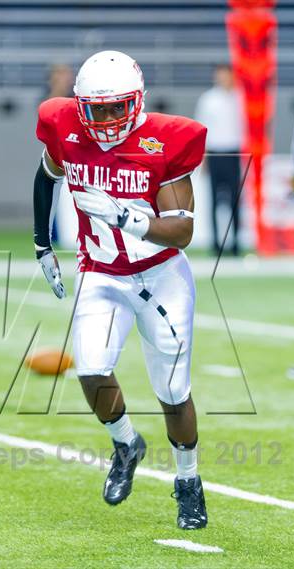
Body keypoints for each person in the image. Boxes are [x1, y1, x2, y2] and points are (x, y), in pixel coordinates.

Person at [33, 50, 208, 529]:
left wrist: (128, 217)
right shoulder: (63, 126)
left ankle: (188, 481)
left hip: (161, 274)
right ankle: (127, 443)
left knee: (173, 391)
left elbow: (181, 231)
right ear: (80, 105)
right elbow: (46, 176)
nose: (107, 119)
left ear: (137, 101)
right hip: (102, 272)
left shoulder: (167, 140)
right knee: (91, 370)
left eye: (117, 107)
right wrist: (40, 243)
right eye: (97, 109)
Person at [195, 63, 244, 256]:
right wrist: (203, 157)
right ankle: (215, 243)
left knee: (235, 200)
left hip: (234, 153)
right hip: (215, 153)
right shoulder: (208, 99)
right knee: (214, 200)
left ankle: (236, 243)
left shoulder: (241, 98)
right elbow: (202, 130)